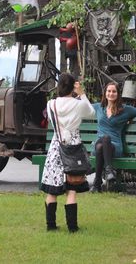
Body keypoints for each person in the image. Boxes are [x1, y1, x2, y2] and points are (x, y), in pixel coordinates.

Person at [40, 72, 95, 232]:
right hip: (73, 148)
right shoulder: (78, 104)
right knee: (71, 189)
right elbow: (91, 113)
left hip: (56, 148)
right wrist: (81, 94)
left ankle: (51, 225)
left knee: (52, 190)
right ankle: (72, 227)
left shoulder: (51, 104)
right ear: (72, 87)